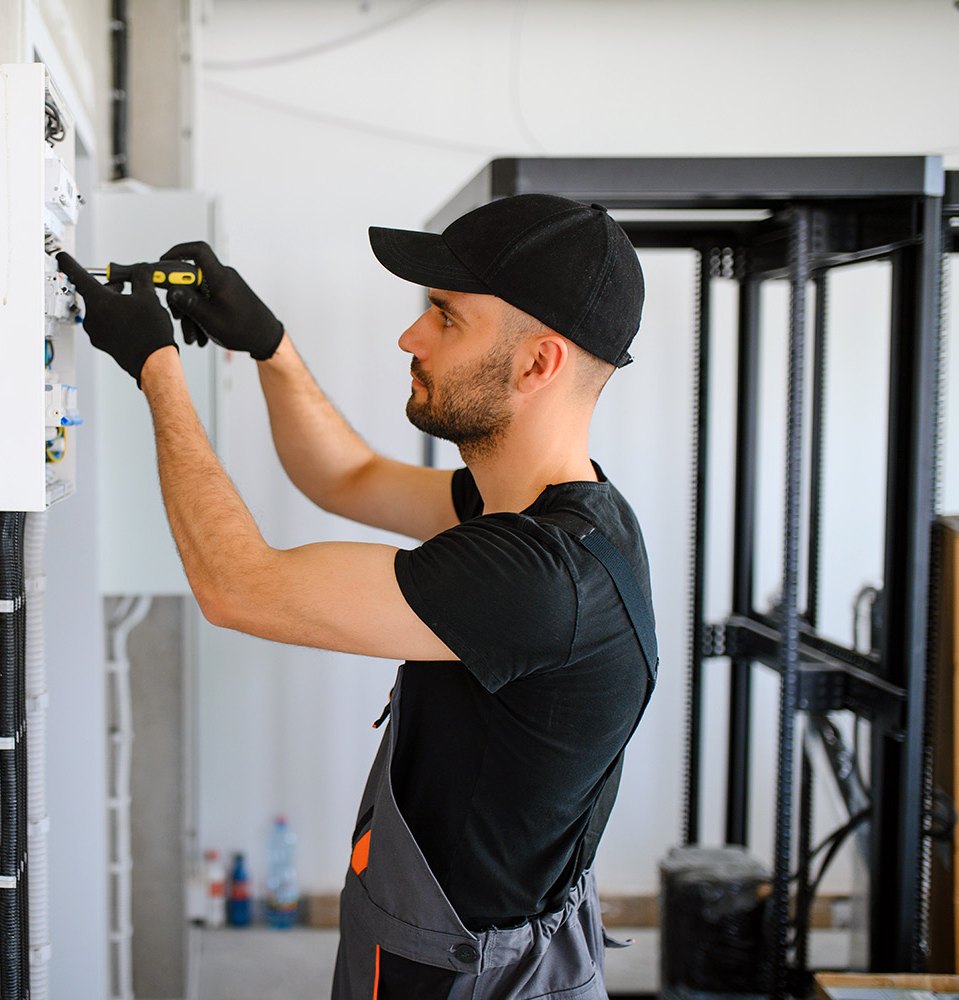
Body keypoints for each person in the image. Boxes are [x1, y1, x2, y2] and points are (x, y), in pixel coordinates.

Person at [55, 193, 657, 1000]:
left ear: (538, 362)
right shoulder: (552, 511)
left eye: (446, 316)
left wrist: (157, 370)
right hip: (441, 942)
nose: (411, 335)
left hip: (465, 977)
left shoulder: (536, 578)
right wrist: (269, 346)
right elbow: (348, 478)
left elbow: (239, 588)